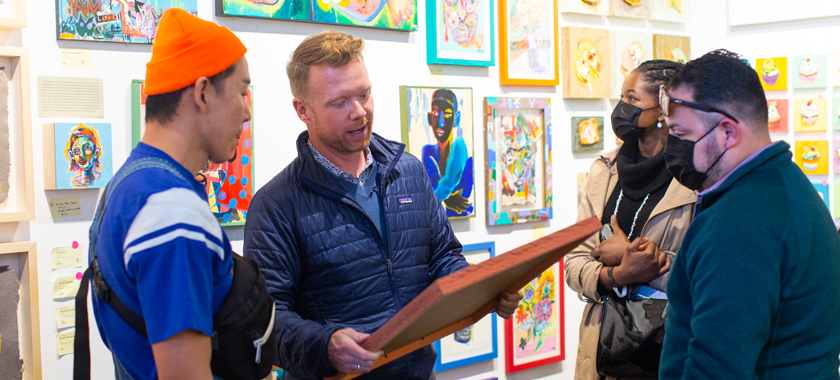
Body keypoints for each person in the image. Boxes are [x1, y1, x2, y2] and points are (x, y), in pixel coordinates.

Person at [243, 30, 521, 380]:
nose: (359, 112)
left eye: (364, 94)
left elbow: (443, 257)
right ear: (303, 111)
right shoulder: (276, 205)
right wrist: (325, 344)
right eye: (339, 102)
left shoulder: (408, 171)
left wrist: (481, 289)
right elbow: (267, 321)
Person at [89, 9, 251, 380]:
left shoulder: (125, 186)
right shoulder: (172, 208)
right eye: (242, 91)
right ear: (203, 92)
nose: (246, 113)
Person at [659, 49, 840, 379]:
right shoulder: (787, 183)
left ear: (727, 132)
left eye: (680, 134)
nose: (671, 147)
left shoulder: (737, 223)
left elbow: (716, 368)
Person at [565, 60, 696, 380]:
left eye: (632, 98)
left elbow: (704, 271)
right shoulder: (603, 170)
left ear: (664, 108)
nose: (621, 108)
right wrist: (617, 274)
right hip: (603, 349)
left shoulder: (694, 177)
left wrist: (636, 259)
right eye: (621, 97)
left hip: (667, 350)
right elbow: (574, 259)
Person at [421, 89, 474, 217]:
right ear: (429, 118)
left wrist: (440, 196)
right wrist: (446, 198)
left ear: (457, 119)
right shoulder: (427, 154)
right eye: (435, 113)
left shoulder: (464, 156)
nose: (441, 122)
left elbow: (466, 206)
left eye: (448, 114)